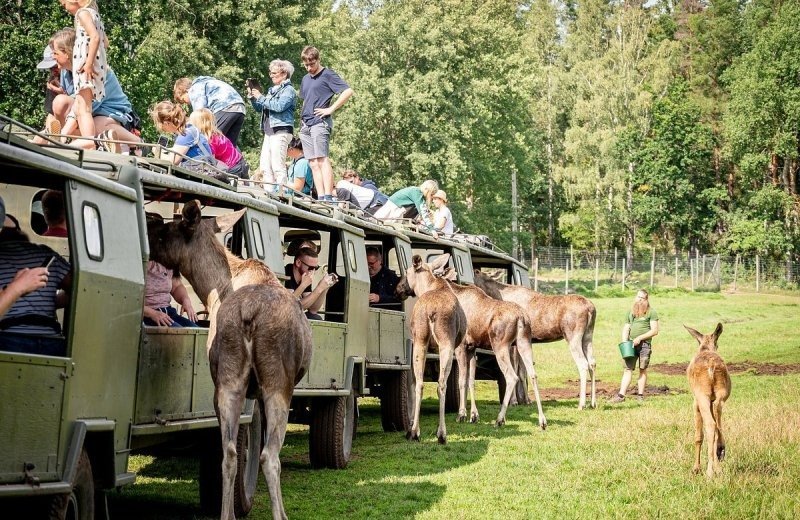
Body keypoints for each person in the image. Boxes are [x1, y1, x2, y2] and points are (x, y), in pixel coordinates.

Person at [49, 28, 141, 153]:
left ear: (66, 53)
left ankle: (135, 141)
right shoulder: (65, 72)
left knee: (97, 124)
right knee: (60, 102)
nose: (52, 57)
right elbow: (73, 107)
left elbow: (82, 106)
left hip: (116, 114)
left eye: (55, 53)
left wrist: (63, 134)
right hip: (92, 113)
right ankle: (99, 142)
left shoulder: (93, 72)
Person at [0, 210, 71, 356]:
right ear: (20, 232)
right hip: (51, 339)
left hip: (10, 337)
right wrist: (53, 301)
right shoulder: (46, 253)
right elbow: (78, 288)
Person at [298, 46, 354, 201]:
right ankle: (321, 196)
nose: (309, 68)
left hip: (320, 123)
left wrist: (330, 109)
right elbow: (305, 100)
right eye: (306, 65)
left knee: (322, 159)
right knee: (313, 163)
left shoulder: (327, 74)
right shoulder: (305, 79)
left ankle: (328, 196)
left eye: (312, 64)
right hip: (305, 124)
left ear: (318, 60)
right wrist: (301, 120)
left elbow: (348, 91)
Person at [59, 0, 109, 149]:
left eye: (63, 5)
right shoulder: (94, 14)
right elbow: (105, 42)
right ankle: (72, 138)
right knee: (81, 105)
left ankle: (89, 143)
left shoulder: (82, 13)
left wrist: (88, 63)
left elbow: (95, 37)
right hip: (93, 64)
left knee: (84, 108)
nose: (64, 8)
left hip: (85, 66)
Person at [247, 60, 296, 186]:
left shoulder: (289, 90)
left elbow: (279, 106)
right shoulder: (272, 91)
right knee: (265, 166)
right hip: (269, 131)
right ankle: (269, 192)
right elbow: (260, 108)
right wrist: (253, 97)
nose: (271, 75)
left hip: (281, 130)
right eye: (271, 73)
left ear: (284, 74)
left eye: (274, 73)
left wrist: (260, 97)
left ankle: (281, 193)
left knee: (277, 165)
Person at [610, 289, 660, 403]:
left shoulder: (651, 312)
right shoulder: (630, 312)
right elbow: (626, 327)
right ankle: (621, 396)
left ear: (646, 300)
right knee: (627, 369)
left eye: (642, 298)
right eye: (638, 297)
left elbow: (655, 331)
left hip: (644, 345)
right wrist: (625, 342)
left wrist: (640, 338)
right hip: (630, 345)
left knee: (642, 369)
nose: (639, 300)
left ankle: (640, 396)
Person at [174, 76, 246, 146]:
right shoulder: (207, 82)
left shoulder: (195, 88)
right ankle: (237, 158)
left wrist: (186, 126)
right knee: (229, 144)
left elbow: (199, 114)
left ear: (185, 90)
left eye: (183, 100)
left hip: (224, 107)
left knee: (209, 139)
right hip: (240, 108)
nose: (187, 103)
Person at [149, 101, 218, 173]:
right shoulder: (188, 129)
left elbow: (172, 161)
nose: (160, 128)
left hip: (202, 173)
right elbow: (178, 150)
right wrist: (164, 150)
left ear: (166, 123)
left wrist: (157, 152)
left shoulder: (185, 134)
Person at [189, 108, 250, 179]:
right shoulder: (217, 134)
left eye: (191, 122)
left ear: (197, 124)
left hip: (233, 168)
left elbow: (211, 163)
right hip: (240, 163)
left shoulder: (210, 140)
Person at [284, 246, 337, 320]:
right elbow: (290, 306)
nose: (313, 271)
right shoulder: (286, 273)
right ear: (298, 263)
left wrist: (325, 287)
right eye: (311, 268)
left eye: (316, 268)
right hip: (280, 316)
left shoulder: (305, 275)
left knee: (315, 317)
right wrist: (315, 288)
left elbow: (313, 309)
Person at [143, 260, 198, 327]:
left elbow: (176, 287)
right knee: (180, 334)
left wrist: (185, 300)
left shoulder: (168, 260)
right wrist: (152, 313)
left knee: (195, 329)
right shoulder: (140, 261)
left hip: (168, 312)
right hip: (146, 315)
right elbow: (128, 300)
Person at [373, 180, 439, 236]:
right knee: (384, 229)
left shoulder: (417, 193)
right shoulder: (417, 193)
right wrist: (431, 229)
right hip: (394, 210)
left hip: (395, 210)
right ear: (428, 191)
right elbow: (423, 212)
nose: (432, 197)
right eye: (432, 194)